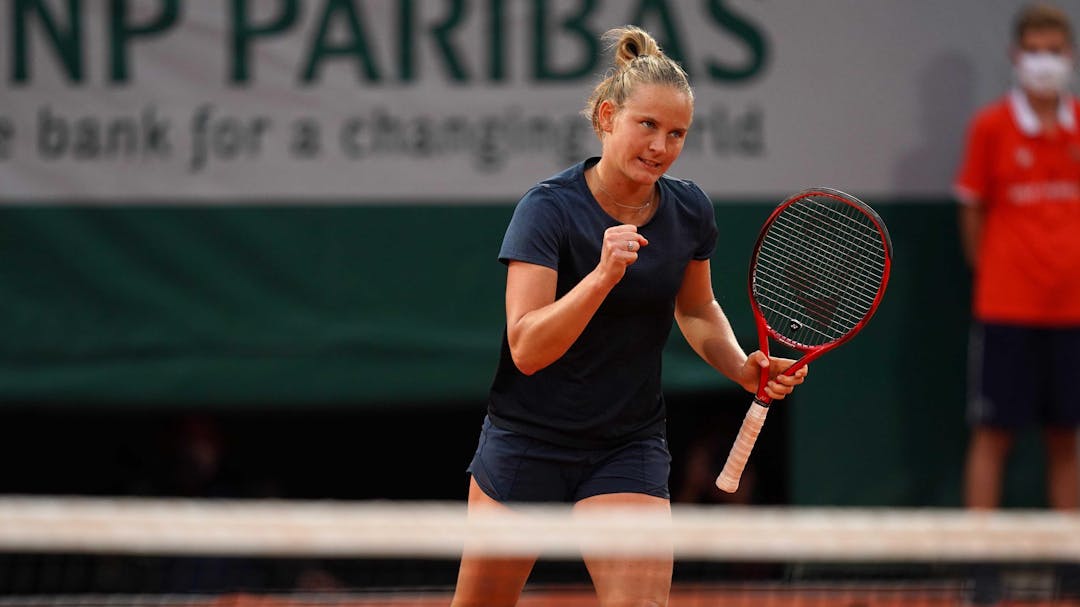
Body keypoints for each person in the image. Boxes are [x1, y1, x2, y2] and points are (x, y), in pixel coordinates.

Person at [451, 25, 807, 607]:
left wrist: (743, 367)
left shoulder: (689, 210)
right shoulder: (547, 210)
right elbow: (527, 348)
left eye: (677, 133)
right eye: (648, 126)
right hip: (527, 440)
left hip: (626, 444)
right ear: (608, 117)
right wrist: (599, 277)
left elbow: (696, 309)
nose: (661, 146)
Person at [955, 2, 1080, 516]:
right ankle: (980, 575)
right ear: (1016, 55)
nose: (1044, 62)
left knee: (1066, 442)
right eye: (1034, 51)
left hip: (1072, 313)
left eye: (1053, 51)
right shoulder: (991, 127)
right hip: (1006, 312)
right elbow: (972, 216)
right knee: (992, 438)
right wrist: (999, 277)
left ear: (1069, 56)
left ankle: (1070, 573)